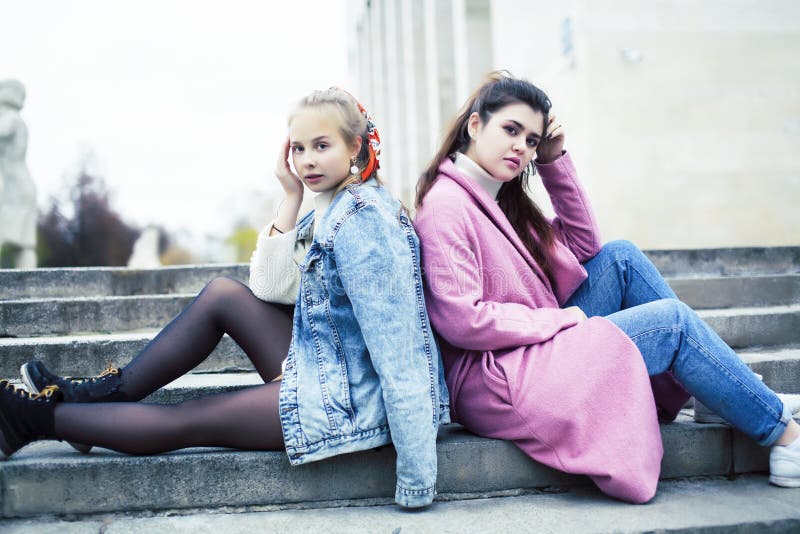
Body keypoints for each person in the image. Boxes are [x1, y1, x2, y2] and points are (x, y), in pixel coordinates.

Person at [0, 87, 450, 508]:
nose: (307, 160)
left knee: (189, 420)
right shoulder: (331, 208)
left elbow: (399, 351)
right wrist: (289, 197)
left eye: (321, 145)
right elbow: (268, 289)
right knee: (223, 294)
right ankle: (89, 400)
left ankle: (32, 418)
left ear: (355, 147)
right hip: (329, 366)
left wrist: (415, 478)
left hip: (355, 400)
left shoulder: (365, 220)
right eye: (298, 148)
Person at [412, 71, 800, 503]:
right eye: (511, 130)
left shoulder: (497, 198)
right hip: (495, 374)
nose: (521, 147)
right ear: (475, 125)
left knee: (620, 257)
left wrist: (554, 161)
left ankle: (724, 388)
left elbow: (585, 246)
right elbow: (462, 320)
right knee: (671, 324)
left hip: (527, 348)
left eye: (532, 140)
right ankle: (782, 435)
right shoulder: (447, 205)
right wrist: (561, 320)